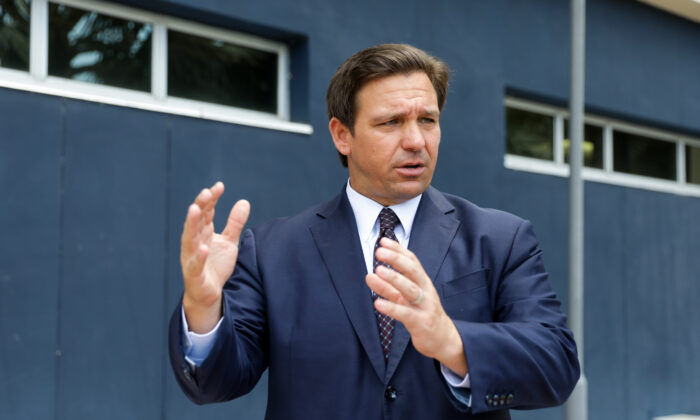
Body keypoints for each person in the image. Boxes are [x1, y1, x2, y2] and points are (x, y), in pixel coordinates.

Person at [169, 44, 580, 419]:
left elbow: (556, 365)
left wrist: (452, 342)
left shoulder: (500, 239)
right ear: (342, 135)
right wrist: (204, 307)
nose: (416, 140)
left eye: (428, 120)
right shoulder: (273, 251)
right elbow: (216, 383)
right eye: (392, 122)